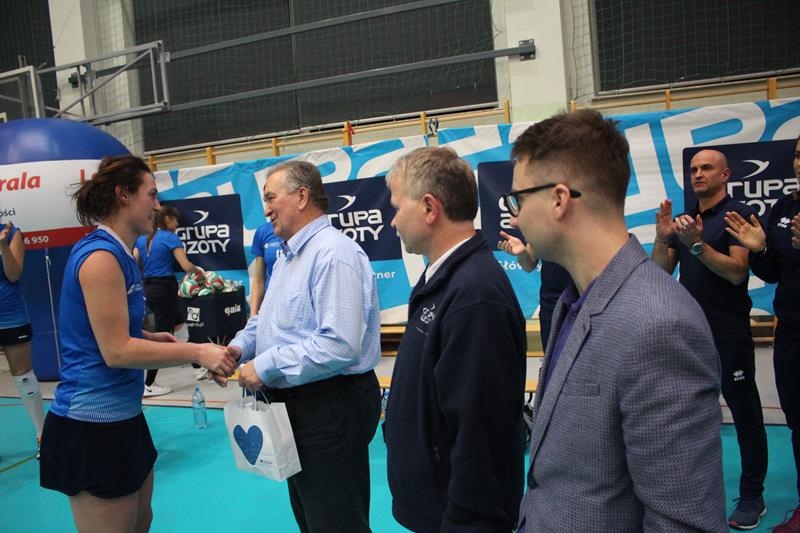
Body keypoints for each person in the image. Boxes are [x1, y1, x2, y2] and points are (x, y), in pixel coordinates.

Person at [511, 110, 726, 531]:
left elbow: (683, 523)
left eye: (519, 200)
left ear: (559, 200)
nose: (515, 218)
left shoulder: (658, 325)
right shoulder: (576, 302)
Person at [38, 155, 235, 533]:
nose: (158, 206)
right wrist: (197, 351)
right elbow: (116, 351)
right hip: (90, 426)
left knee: (142, 521)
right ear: (123, 195)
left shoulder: (125, 254)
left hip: (126, 417)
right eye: (152, 194)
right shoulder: (100, 258)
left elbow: (104, 330)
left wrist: (148, 337)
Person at [217, 160, 381, 533]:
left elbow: (339, 344)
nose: (266, 210)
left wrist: (265, 365)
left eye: (270, 198)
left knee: (335, 522)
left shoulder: (332, 254)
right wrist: (238, 350)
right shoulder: (288, 255)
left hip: (329, 406)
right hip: (300, 407)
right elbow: (267, 320)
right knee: (312, 517)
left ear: (302, 196)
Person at [382, 146, 527, 532]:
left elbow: (480, 433)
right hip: (434, 505)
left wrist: (466, 523)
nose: (393, 222)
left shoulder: (474, 296)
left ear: (430, 207)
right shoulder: (446, 281)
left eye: (397, 207)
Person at [653, 148, 770, 529]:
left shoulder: (737, 215)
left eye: (707, 168)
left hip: (729, 335)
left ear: (726, 175)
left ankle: (752, 496)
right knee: (686, 418)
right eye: (693, 169)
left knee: (745, 416)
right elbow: (659, 272)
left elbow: (737, 272)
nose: (698, 174)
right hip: (690, 336)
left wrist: (698, 246)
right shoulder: (686, 222)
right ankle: (687, 491)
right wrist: (662, 238)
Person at [723, 134, 800, 532]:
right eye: (799, 155)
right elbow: (771, 273)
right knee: (797, 421)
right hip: (792, 331)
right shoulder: (784, 207)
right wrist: (761, 249)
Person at [134, 204, 204, 396]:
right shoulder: (171, 238)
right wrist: (199, 273)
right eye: (176, 220)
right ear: (167, 220)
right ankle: (148, 384)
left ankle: (198, 367)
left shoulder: (141, 239)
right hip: (165, 289)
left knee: (181, 326)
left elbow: (132, 262)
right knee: (164, 337)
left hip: (149, 289)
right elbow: (185, 265)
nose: (178, 223)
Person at [0, 222, 45, 457]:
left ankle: (42, 435)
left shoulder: (11, 234)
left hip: (10, 314)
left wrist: (2, 246)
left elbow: (14, 274)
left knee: (23, 375)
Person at [497, 233, 570, 347]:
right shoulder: (543, 225)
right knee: (554, 357)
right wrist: (522, 253)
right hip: (552, 308)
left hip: (588, 301)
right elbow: (529, 266)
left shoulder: (591, 225)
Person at [248, 220, 281, 317]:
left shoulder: (304, 230)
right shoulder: (263, 231)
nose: (267, 212)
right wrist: (252, 318)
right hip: (270, 309)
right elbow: (259, 280)